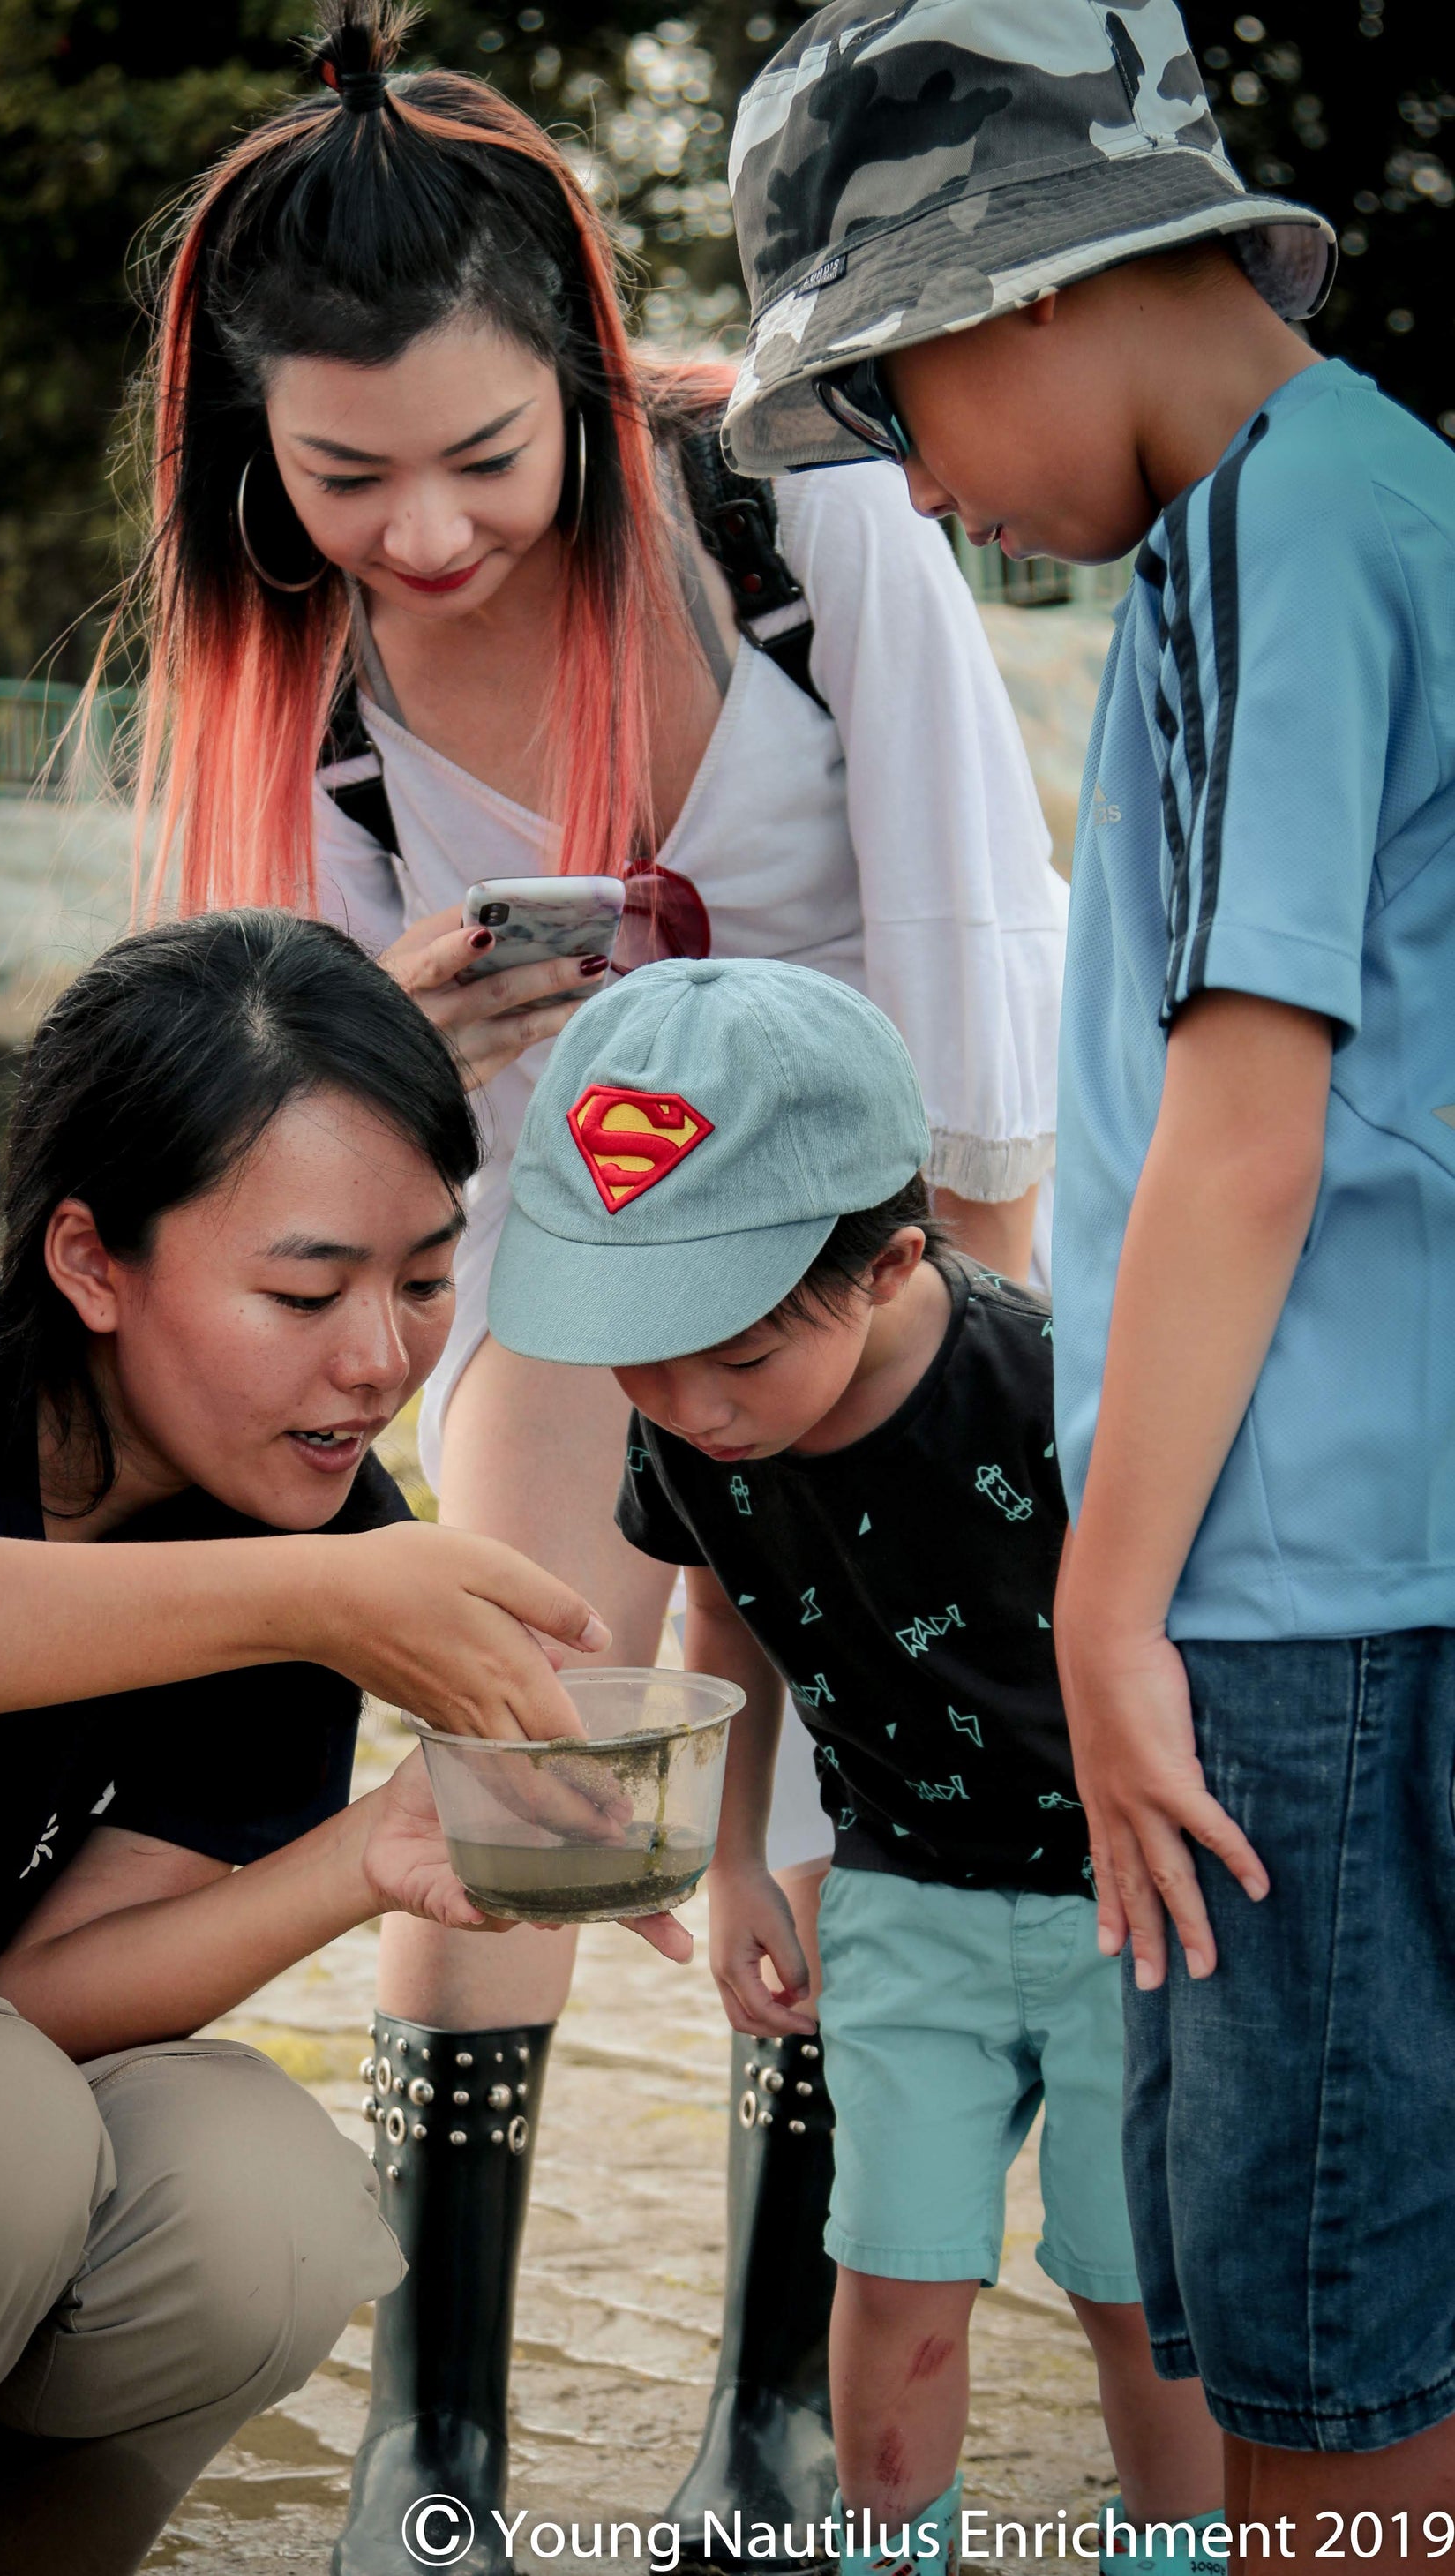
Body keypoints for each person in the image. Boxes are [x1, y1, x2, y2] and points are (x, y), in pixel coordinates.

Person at [112, 3, 1069, 2556]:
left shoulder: (787, 498)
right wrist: (390, 1035)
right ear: (256, 447)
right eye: (343, 476)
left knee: (882, 1768)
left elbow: (971, 901)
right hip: (567, 1229)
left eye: (478, 460)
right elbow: (281, 1097)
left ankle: (771, 2421)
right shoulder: (296, 682)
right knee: (519, 1729)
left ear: (576, 362)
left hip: (875, 1240)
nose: (421, 532)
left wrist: (980, 1342)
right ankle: (435, 2439)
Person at [724, 0, 1455, 2560]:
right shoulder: (1370, 501)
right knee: (1347, 2308)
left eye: (895, 403)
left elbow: (1248, 1140)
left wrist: (1100, 1604)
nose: (914, 485)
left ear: (1021, 285)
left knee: (1323, 2357)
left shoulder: (1269, 525)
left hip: (1297, 1599)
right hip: (1360, 1567)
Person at [0, 908, 679, 2576]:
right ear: (93, 1261)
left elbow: (43, 1996)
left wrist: (365, 1857)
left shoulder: (318, 1541)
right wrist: (296, 1601)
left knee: (262, 2201)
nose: (380, 1359)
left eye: (425, 1282)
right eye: (305, 1288)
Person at [488, 955, 1224, 2572]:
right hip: (901, 1900)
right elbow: (721, 1607)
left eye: (737, 1362)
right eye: (642, 1359)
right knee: (891, 2273)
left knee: (1129, 2284)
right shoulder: (689, 1425)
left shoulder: (1055, 1390)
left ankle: (1181, 2541)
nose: (689, 1410)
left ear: (889, 1261)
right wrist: (734, 1852)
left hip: (1133, 1910)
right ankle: (892, 2540)